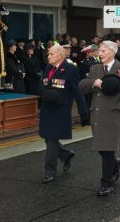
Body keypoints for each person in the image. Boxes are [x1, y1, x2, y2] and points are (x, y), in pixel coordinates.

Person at [79, 40, 120, 196]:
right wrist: (94, 83)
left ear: (112, 52)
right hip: (97, 113)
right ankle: (114, 163)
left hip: (113, 114)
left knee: (107, 147)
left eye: (103, 51)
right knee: (101, 147)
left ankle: (106, 183)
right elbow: (82, 86)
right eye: (100, 51)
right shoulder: (95, 69)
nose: (100, 54)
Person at [39, 45, 89, 183]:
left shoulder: (71, 69)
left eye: (51, 54)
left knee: (52, 139)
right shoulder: (48, 67)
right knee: (48, 138)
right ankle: (66, 154)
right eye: (48, 54)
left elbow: (77, 91)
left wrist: (83, 111)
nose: (48, 56)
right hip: (47, 108)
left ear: (60, 55)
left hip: (60, 110)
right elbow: (44, 85)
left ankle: (50, 172)